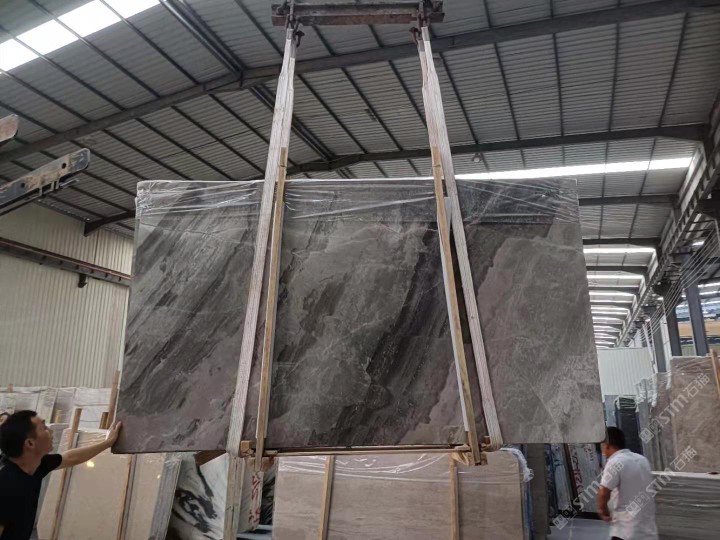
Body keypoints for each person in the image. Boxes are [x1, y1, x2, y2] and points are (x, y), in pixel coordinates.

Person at [0, 410, 121, 540]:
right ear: (30, 443)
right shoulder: (6, 486)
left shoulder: (36, 464)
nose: (50, 431)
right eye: (44, 428)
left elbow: (70, 458)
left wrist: (107, 443)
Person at [598, 426, 658, 540]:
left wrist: (603, 511)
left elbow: (603, 492)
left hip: (625, 530)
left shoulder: (615, 462)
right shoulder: (642, 460)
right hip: (648, 530)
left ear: (607, 445)